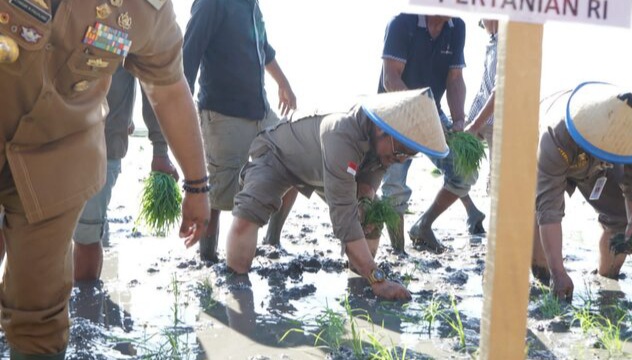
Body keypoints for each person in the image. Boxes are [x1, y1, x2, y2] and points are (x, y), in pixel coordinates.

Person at [0, 1, 210, 358]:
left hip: (58, 155)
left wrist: (197, 185)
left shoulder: (149, 9)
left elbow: (170, 90)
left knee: (39, 316)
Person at [225, 88, 450, 301]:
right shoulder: (342, 132)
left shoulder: (386, 145)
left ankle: (359, 284)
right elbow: (343, 217)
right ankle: (237, 289)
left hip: (323, 168)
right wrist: (379, 279)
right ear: (383, 131)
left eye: (408, 157)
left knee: (371, 216)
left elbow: (368, 184)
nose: (400, 160)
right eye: (400, 152)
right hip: (277, 154)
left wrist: (364, 202)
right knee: (248, 213)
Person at [182, 0, 298, 262]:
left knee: (294, 159)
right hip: (222, 115)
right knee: (217, 198)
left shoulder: (252, 4)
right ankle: (207, 260)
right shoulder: (210, 3)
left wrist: (283, 83)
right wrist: (182, 118)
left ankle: (272, 240)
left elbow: (263, 48)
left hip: (261, 112)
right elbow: (188, 56)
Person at [378, 14, 485, 254]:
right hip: (393, 114)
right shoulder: (401, 23)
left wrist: (459, 120)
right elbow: (390, 78)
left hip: (432, 112)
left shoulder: (456, 27)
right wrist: (422, 112)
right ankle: (398, 252)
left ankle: (423, 226)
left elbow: (455, 79)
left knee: (464, 171)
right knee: (394, 187)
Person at [531, 82, 632, 301]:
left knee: (620, 216)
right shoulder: (555, 135)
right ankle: (544, 275)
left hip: (601, 165)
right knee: (539, 211)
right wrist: (558, 272)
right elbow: (549, 209)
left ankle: (607, 280)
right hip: (557, 150)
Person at [73, 65, 180, 282]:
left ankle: (85, 304)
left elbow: (152, 79)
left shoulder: (132, 30)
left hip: (102, 144)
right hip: (38, 138)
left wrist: (160, 150)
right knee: (17, 227)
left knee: (87, 235)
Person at [464, 19, 498, 194]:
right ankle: (472, 211)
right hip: (481, 118)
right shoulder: (494, 41)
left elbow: (499, 91)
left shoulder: (507, 44)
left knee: (498, 183)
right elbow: (486, 87)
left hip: (498, 125)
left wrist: (474, 125)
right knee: (456, 167)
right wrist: (469, 121)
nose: (480, 22)